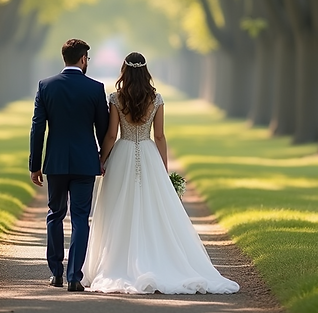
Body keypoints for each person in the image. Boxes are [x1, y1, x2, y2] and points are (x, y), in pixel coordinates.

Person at [82, 52, 240, 294]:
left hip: (122, 153)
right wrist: (163, 169)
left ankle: (118, 262)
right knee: (150, 209)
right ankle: (157, 258)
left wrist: (101, 161)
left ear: (124, 71)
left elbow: (112, 135)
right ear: (146, 72)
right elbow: (159, 136)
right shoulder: (156, 99)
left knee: (118, 210)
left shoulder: (116, 98)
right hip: (148, 153)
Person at [29, 38, 109, 292]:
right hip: (85, 162)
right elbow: (104, 130)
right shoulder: (96, 89)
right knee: (80, 217)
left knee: (55, 214)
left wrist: (35, 164)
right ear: (83, 59)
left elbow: (37, 128)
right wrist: (103, 159)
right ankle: (75, 275)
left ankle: (56, 273)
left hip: (56, 162)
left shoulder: (46, 86)